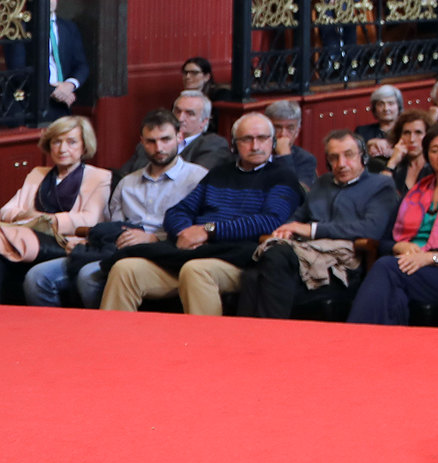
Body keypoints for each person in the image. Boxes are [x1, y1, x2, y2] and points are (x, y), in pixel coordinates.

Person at [100, 113, 301, 316]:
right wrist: (186, 233)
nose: (255, 145)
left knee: (195, 270)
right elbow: (178, 211)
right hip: (194, 252)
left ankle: (205, 346)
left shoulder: (283, 176)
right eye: (247, 139)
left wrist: (208, 231)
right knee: (126, 269)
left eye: (262, 138)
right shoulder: (219, 173)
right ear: (234, 144)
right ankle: (111, 343)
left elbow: (268, 221)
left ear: (273, 141)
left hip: (240, 258)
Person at [25, 112, 203, 308]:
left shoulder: (197, 178)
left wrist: (156, 238)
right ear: (142, 142)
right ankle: (59, 334)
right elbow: (111, 227)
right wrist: (87, 241)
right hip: (116, 249)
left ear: (179, 137)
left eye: (165, 139)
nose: (159, 148)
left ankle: (100, 332)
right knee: (38, 277)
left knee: (88, 276)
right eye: (151, 141)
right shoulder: (128, 183)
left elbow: (197, 231)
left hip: (164, 252)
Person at [238, 129, 399, 319]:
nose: (341, 164)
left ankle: (263, 335)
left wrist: (313, 230)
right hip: (303, 254)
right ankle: (260, 337)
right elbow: (297, 217)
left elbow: (371, 228)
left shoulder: (380, 185)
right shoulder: (323, 182)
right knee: (254, 274)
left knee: (271, 260)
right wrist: (286, 229)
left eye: (348, 155)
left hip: (341, 265)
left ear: (363, 156)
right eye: (334, 158)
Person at [348, 119, 438, 325]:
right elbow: (385, 241)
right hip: (406, 263)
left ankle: (355, 336)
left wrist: (429, 258)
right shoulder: (415, 193)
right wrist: (400, 245)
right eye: (434, 150)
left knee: (386, 267)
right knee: (394, 291)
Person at [0, 116, 110, 303]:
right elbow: (6, 211)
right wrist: (28, 216)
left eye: (71, 142)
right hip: (29, 240)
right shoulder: (38, 174)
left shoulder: (99, 177)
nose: (62, 149)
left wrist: (47, 220)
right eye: (56, 142)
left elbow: (91, 220)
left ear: (84, 146)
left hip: (68, 244)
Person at [3, 0, 89, 117]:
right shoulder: (18, 30)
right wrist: (53, 90)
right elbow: (18, 71)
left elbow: (82, 65)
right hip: (29, 105)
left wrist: (69, 85)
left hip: (63, 103)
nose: (50, 1)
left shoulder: (69, 28)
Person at [123, 89, 232, 174]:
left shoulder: (213, 144)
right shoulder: (152, 140)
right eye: (177, 111)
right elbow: (124, 174)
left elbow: (192, 181)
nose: (180, 118)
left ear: (204, 121)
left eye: (190, 114)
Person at [265, 100, 318, 185]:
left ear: (297, 132)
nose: (283, 134)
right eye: (277, 128)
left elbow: (298, 194)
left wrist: (284, 156)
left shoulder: (305, 160)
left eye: (290, 128)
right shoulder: (256, 153)